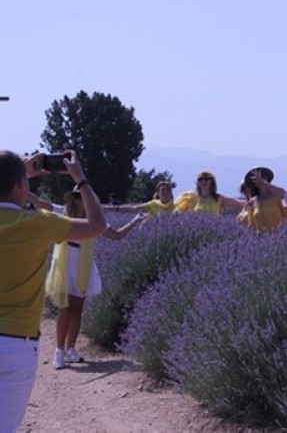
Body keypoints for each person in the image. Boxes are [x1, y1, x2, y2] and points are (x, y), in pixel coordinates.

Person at [0, 150, 106, 432]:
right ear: (21, 185)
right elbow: (98, 224)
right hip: (16, 342)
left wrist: (20, 172)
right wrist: (80, 178)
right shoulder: (38, 224)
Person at [30, 191, 145, 369]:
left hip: (83, 266)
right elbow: (40, 203)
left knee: (77, 309)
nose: (83, 201)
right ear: (74, 201)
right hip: (64, 265)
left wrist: (135, 221)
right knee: (64, 309)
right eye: (79, 197)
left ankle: (71, 348)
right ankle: (59, 351)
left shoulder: (96, 221)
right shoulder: (63, 214)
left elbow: (116, 235)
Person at [237, 167, 287, 233]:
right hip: (262, 239)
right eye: (256, 179)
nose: (259, 180)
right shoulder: (252, 203)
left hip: (280, 237)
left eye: (261, 177)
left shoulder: (277, 197)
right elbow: (251, 226)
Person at [173, 170, 244, 215]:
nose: (203, 181)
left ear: (211, 182)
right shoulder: (192, 197)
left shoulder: (218, 198)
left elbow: (237, 204)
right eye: (200, 179)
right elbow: (179, 213)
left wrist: (253, 201)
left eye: (206, 179)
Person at [102, 180, 175, 217]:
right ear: (158, 193)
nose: (165, 192)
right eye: (162, 190)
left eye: (168, 189)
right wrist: (109, 208)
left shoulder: (178, 204)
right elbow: (133, 209)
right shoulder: (153, 205)